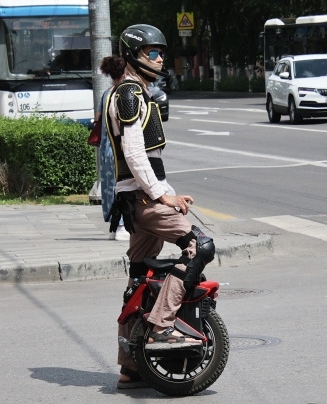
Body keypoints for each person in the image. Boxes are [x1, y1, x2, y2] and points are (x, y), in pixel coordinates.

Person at [106, 24, 215, 389]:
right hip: (144, 199)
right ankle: (161, 326)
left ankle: (130, 367)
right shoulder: (131, 94)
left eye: (162, 52)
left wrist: (168, 190)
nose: (160, 57)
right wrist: (161, 195)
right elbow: (135, 153)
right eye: (153, 52)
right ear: (135, 54)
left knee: (138, 276)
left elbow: (144, 159)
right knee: (201, 246)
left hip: (133, 198)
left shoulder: (127, 90)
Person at [96, 55, 130, 241]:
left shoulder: (106, 93)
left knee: (110, 186)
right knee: (124, 185)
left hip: (105, 149)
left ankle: (114, 225)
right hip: (119, 148)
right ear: (125, 72)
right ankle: (122, 226)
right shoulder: (122, 94)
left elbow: (97, 119)